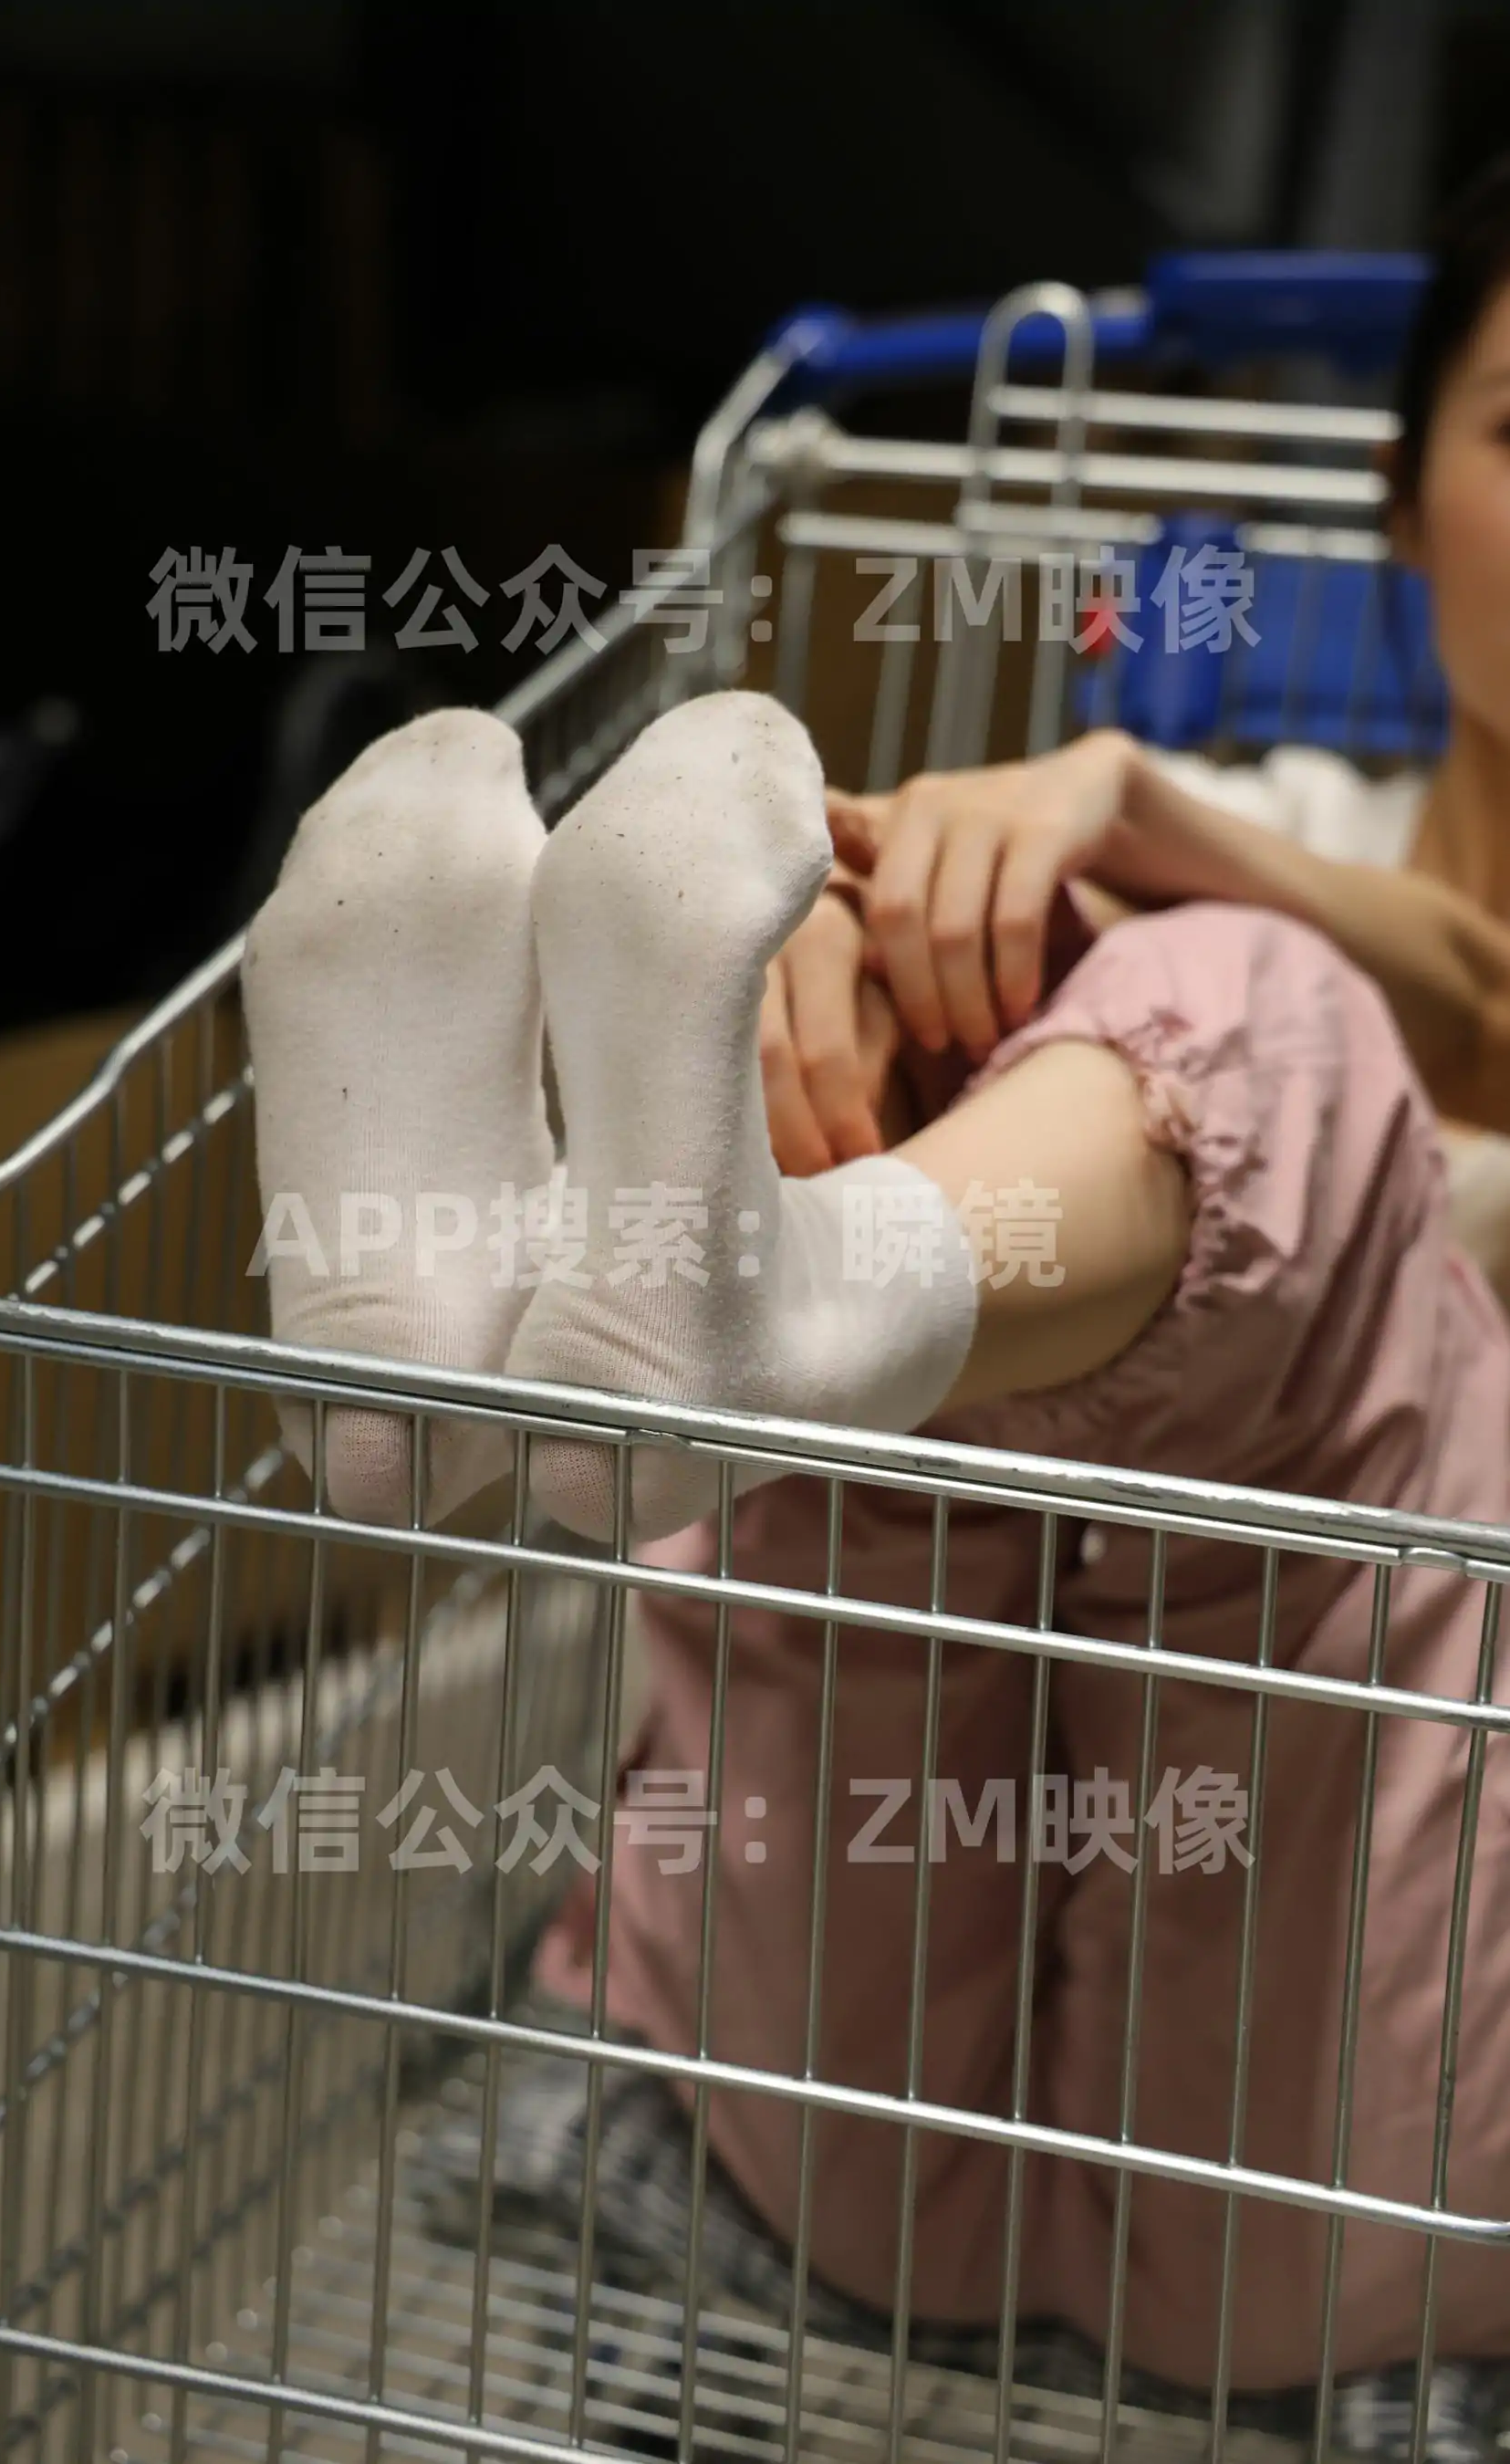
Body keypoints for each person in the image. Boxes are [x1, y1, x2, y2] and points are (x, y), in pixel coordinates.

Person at [245, 677, 1510, 2454]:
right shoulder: (1267, 798)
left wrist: (1141, 823)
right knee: (921, 1011)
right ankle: (627, 1320)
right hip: (859, 2103)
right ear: (1406, 529)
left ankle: (726, 1301)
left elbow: (1478, 1011)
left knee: (1267, 1010)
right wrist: (831, 953)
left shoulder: (1178, 830)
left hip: (1316, 2047)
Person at [762, 155, 1510, 1307]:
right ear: (1401, 498)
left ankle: (793, 1315)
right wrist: (856, 922)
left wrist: (1149, 829)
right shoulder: (1273, 822)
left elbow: (1478, 1016)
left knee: (1258, 985)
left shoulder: (1210, 871)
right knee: (1091, 960)